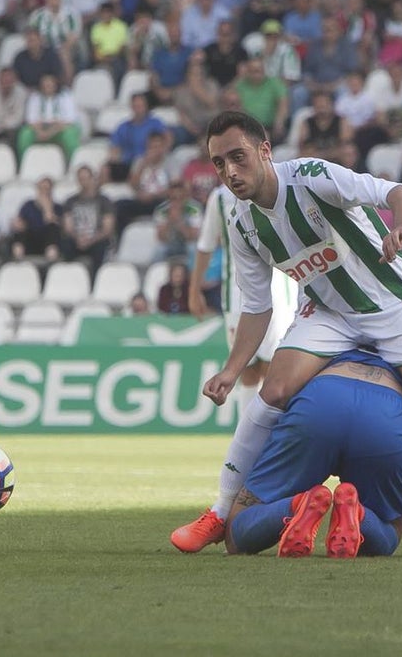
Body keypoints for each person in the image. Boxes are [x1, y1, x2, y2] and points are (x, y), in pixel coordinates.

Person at [172, 111, 402, 560]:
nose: (229, 171)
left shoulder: (312, 177)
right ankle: (218, 512)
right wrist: (231, 370)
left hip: (394, 303)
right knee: (273, 392)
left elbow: (398, 193)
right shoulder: (242, 222)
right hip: (330, 312)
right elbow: (257, 306)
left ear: (264, 151)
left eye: (238, 157)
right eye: (218, 163)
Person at [170, 181, 299, 552]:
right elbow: (206, 245)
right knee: (249, 372)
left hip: (284, 297)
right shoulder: (220, 197)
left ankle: (269, 449)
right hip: (239, 298)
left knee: (278, 373)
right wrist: (194, 289)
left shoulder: (282, 186)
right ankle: (251, 446)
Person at [225, 350, 402, 559]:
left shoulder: (317, 338)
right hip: (387, 412)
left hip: (322, 397)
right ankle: (358, 514)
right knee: (391, 525)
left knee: (237, 531)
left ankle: (296, 505)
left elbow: (277, 394)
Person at [62, 165, 115, 269]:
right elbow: (68, 227)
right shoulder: (70, 201)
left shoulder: (104, 201)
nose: (83, 182)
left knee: (101, 246)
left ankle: (96, 277)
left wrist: (91, 240)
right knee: (66, 244)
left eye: (86, 178)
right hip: (77, 239)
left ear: (92, 178)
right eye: (81, 179)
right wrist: (77, 238)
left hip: (97, 239)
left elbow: (108, 229)